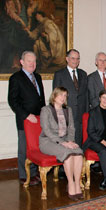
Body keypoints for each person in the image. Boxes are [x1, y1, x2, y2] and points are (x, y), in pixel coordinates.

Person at [39, 87, 83, 201]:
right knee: (67, 153)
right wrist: (63, 143)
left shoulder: (68, 109)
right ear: (54, 96)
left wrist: (71, 141)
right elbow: (47, 130)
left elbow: (72, 128)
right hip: (48, 141)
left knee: (78, 152)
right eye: (61, 95)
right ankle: (71, 183)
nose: (63, 98)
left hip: (65, 140)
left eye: (65, 95)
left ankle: (77, 184)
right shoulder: (46, 110)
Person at [8, 51, 45, 185]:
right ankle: (24, 175)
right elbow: (13, 101)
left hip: (38, 119)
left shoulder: (38, 77)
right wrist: (27, 115)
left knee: (36, 147)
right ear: (22, 62)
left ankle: (34, 173)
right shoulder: (16, 78)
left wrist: (44, 115)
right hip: (25, 119)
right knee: (24, 148)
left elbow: (41, 99)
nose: (32, 64)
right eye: (29, 61)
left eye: (34, 61)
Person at [82, 90, 106, 192]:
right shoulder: (93, 112)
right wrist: (104, 143)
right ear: (99, 98)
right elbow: (90, 132)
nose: (105, 100)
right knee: (103, 151)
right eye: (103, 98)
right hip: (96, 141)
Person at [53, 49, 88, 147]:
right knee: (67, 144)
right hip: (65, 114)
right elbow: (56, 96)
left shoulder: (83, 74)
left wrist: (86, 113)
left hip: (81, 115)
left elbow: (86, 95)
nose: (75, 61)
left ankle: (79, 160)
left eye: (78, 58)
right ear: (67, 59)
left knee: (79, 142)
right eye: (73, 58)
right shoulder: (59, 74)